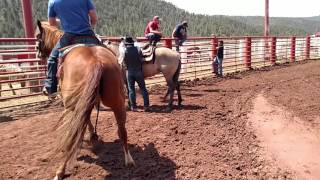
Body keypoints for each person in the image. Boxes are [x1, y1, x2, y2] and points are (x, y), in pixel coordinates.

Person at [43, 0, 101, 97]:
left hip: (69, 36)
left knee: (52, 59)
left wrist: (65, 20)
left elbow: (52, 23)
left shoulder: (53, 1)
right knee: (107, 52)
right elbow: (94, 19)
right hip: (88, 34)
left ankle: (50, 88)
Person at [122, 36, 150, 112]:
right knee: (143, 89)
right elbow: (141, 59)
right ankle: (146, 106)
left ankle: (133, 107)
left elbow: (124, 63)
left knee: (131, 90)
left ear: (126, 44)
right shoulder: (138, 49)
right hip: (138, 71)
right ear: (132, 42)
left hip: (129, 72)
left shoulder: (124, 51)